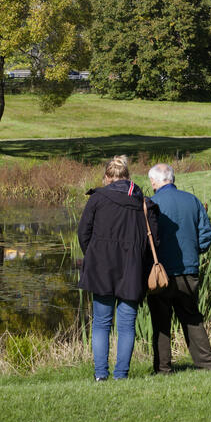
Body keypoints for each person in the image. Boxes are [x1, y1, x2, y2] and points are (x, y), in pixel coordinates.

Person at [77, 155, 157, 381]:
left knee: (101, 323)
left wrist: (93, 255)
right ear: (128, 177)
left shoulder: (97, 198)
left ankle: (101, 375)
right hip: (132, 269)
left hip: (101, 267)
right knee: (126, 325)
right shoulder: (143, 202)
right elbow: (154, 240)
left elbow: (83, 233)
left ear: (106, 178)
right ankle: (121, 375)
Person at [145, 162, 211, 373]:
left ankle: (163, 368)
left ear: (153, 182)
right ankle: (207, 364)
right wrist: (195, 252)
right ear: (172, 178)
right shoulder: (192, 200)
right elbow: (205, 233)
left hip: (160, 273)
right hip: (189, 269)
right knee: (191, 317)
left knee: (161, 321)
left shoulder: (151, 203)